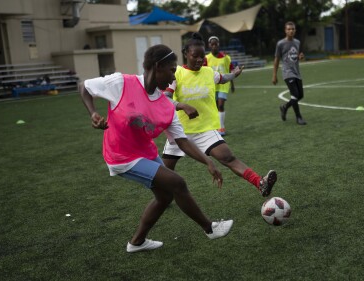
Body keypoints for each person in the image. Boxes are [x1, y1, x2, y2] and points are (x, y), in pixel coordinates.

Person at [80, 44, 234, 253]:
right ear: (157, 66)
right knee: (177, 182)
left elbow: (183, 142)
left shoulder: (167, 106)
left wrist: (208, 161)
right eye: (171, 70)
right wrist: (93, 114)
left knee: (165, 196)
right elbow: (85, 87)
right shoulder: (121, 83)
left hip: (145, 153)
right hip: (120, 156)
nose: (173, 78)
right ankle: (210, 228)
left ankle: (137, 242)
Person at [163, 32, 277, 198]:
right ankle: (162, 197)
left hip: (205, 130)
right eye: (195, 56)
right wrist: (182, 105)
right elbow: (165, 98)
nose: (199, 60)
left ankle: (260, 183)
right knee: (165, 172)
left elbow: (223, 78)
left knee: (228, 157)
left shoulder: (208, 72)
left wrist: (235, 74)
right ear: (186, 54)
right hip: (179, 132)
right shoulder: (177, 73)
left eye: (202, 56)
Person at [272, 21, 307, 125]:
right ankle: (298, 117)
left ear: (295, 30)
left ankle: (285, 107)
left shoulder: (297, 42)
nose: (291, 31)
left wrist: (300, 57)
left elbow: (296, 55)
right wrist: (274, 75)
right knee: (295, 94)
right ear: (285, 31)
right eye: (289, 29)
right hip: (287, 72)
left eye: (292, 29)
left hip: (296, 71)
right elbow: (277, 60)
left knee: (300, 95)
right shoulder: (280, 44)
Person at [203, 36, 235, 136]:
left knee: (221, 105)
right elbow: (203, 72)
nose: (214, 46)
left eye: (216, 44)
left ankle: (221, 128)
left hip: (224, 85)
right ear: (209, 45)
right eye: (212, 44)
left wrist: (233, 84)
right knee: (215, 107)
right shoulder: (206, 58)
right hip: (212, 86)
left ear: (218, 44)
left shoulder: (226, 58)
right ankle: (216, 127)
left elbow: (231, 71)